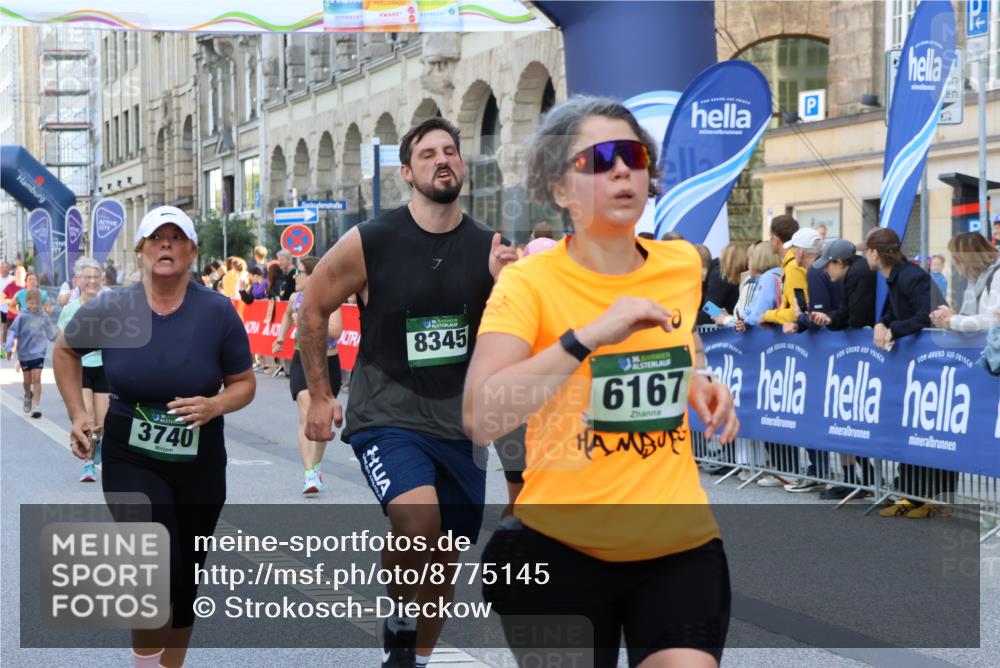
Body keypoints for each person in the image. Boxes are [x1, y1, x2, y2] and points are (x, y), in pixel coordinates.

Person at [464, 96, 737, 668]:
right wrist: (587, 336)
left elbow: (681, 338)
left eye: (633, 156)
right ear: (559, 188)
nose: (622, 170)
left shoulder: (682, 264)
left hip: (678, 544)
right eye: (600, 158)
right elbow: (482, 415)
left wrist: (701, 379)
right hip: (558, 548)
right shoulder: (528, 285)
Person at [299, 116, 517, 668]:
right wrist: (322, 394)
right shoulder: (371, 241)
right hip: (387, 411)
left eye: (451, 151)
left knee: (443, 557)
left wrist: (506, 283)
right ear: (406, 172)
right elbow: (313, 309)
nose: (442, 160)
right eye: (427, 154)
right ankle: (400, 616)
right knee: (419, 525)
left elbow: (511, 341)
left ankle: (410, 658)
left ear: (462, 164)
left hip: (460, 423)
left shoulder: (491, 247)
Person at [53, 206, 255, 668]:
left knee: (184, 584)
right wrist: (78, 413)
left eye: (176, 237)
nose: (166, 245)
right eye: (156, 237)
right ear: (141, 249)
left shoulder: (217, 312)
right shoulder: (113, 307)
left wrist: (216, 404)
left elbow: (244, 382)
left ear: (192, 251)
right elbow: (65, 351)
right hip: (131, 455)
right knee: (154, 568)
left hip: (200, 458)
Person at [859, 227, 953, 518]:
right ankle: (910, 493)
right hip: (910, 367)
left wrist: (893, 329)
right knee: (911, 430)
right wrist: (880, 323)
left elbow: (926, 315)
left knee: (929, 432)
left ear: (875, 253)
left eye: (866, 251)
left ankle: (931, 497)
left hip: (931, 365)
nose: (864, 256)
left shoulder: (913, 276)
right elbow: (891, 312)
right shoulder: (893, 276)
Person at [810, 239, 878, 500]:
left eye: (828, 267)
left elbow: (857, 317)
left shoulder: (859, 274)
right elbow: (847, 313)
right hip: (853, 350)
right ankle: (856, 478)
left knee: (855, 415)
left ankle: (868, 478)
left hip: (863, 353)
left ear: (840, 263)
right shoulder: (852, 273)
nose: (826, 273)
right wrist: (831, 319)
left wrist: (837, 320)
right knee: (845, 415)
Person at [272, 256, 343, 494]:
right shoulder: (294, 298)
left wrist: (306, 320)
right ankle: (309, 474)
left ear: (313, 274)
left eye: (300, 271)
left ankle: (317, 465)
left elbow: (336, 331)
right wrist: (281, 337)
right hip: (302, 359)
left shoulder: (331, 297)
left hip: (327, 361)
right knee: (305, 411)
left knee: (322, 417)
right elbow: (285, 315)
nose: (295, 276)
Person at [56, 258, 110, 482]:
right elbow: (62, 345)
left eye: (95, 277)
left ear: (101, 280)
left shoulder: (108, 307)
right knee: (86, 415)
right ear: (78, 280)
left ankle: (98, 450)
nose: (91, 281)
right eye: (87, 277)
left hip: (104, 367)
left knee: (104, 420)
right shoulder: (70, 309)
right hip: (82, 368)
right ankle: (88, 464)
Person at [930, 232, 1000, 333]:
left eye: (955, 258)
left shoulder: (997, 275)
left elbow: (994, 320)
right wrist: (952, 317)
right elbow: (976, 316)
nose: (954, 263)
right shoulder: (975, 279)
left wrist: (952, 320)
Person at [4, 287, 57, 417]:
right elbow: (12, 332)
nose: (34, 306)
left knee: (37, 378)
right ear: (27, 302)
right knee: (27, 380)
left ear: (40, 303)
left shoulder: (43, 316)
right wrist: (9, 347)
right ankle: (28, 394)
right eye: (31, 303)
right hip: (24, 352)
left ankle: (36, 406)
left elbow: (51, 333)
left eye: (37, 303)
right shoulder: (22, 316)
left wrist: (60, 336)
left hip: (39, 352)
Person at [762, 214, 805, 325]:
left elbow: (798, 311)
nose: (769, 242)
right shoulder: (790, 264)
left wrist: (767, 315)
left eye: (770, 237)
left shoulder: (792, 267)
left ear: (776, 240)